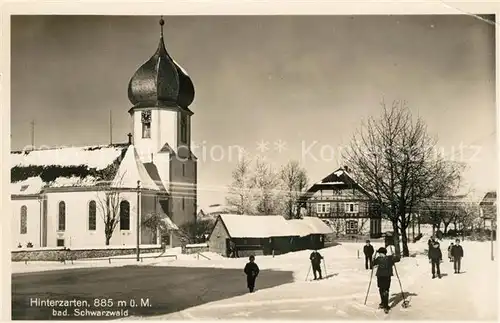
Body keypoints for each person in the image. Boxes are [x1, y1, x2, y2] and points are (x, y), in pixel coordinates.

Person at [373, 247, 400, 313]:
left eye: (380, 253)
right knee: (382, 289)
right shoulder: (384, 258)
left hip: (385, 276)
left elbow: (398, 259)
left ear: (383, 253)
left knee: (385, 290)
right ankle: (383, 303)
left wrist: (394, 256)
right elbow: (373, 263)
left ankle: (385, 305)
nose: (379, 254)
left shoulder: (388, 258)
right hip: (381, 276)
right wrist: (373, 257)